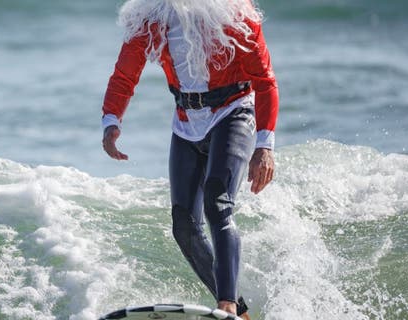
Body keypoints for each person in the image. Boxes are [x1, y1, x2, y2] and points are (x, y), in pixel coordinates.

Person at [100, 0, 278, 318]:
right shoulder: (151, 14)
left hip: (233, 112)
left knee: (217, 202)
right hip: (185, 121)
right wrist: (111, 119)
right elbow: (125, 73)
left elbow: (265, 81)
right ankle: (238, 309)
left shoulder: (235, 12)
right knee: (184, 225)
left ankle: (226, 304)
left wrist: (264, 146)